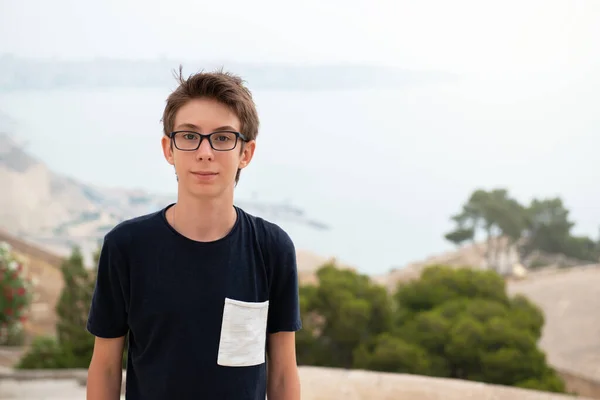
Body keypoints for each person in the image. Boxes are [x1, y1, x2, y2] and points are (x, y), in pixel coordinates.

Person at [86, 67, 302, 400]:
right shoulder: (126, 247)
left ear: (246, 153)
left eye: (222, 137)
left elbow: (284, 374)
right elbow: (106, 368)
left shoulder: (272, 249)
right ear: (168, 148)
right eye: (189, 136)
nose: (205, 152)